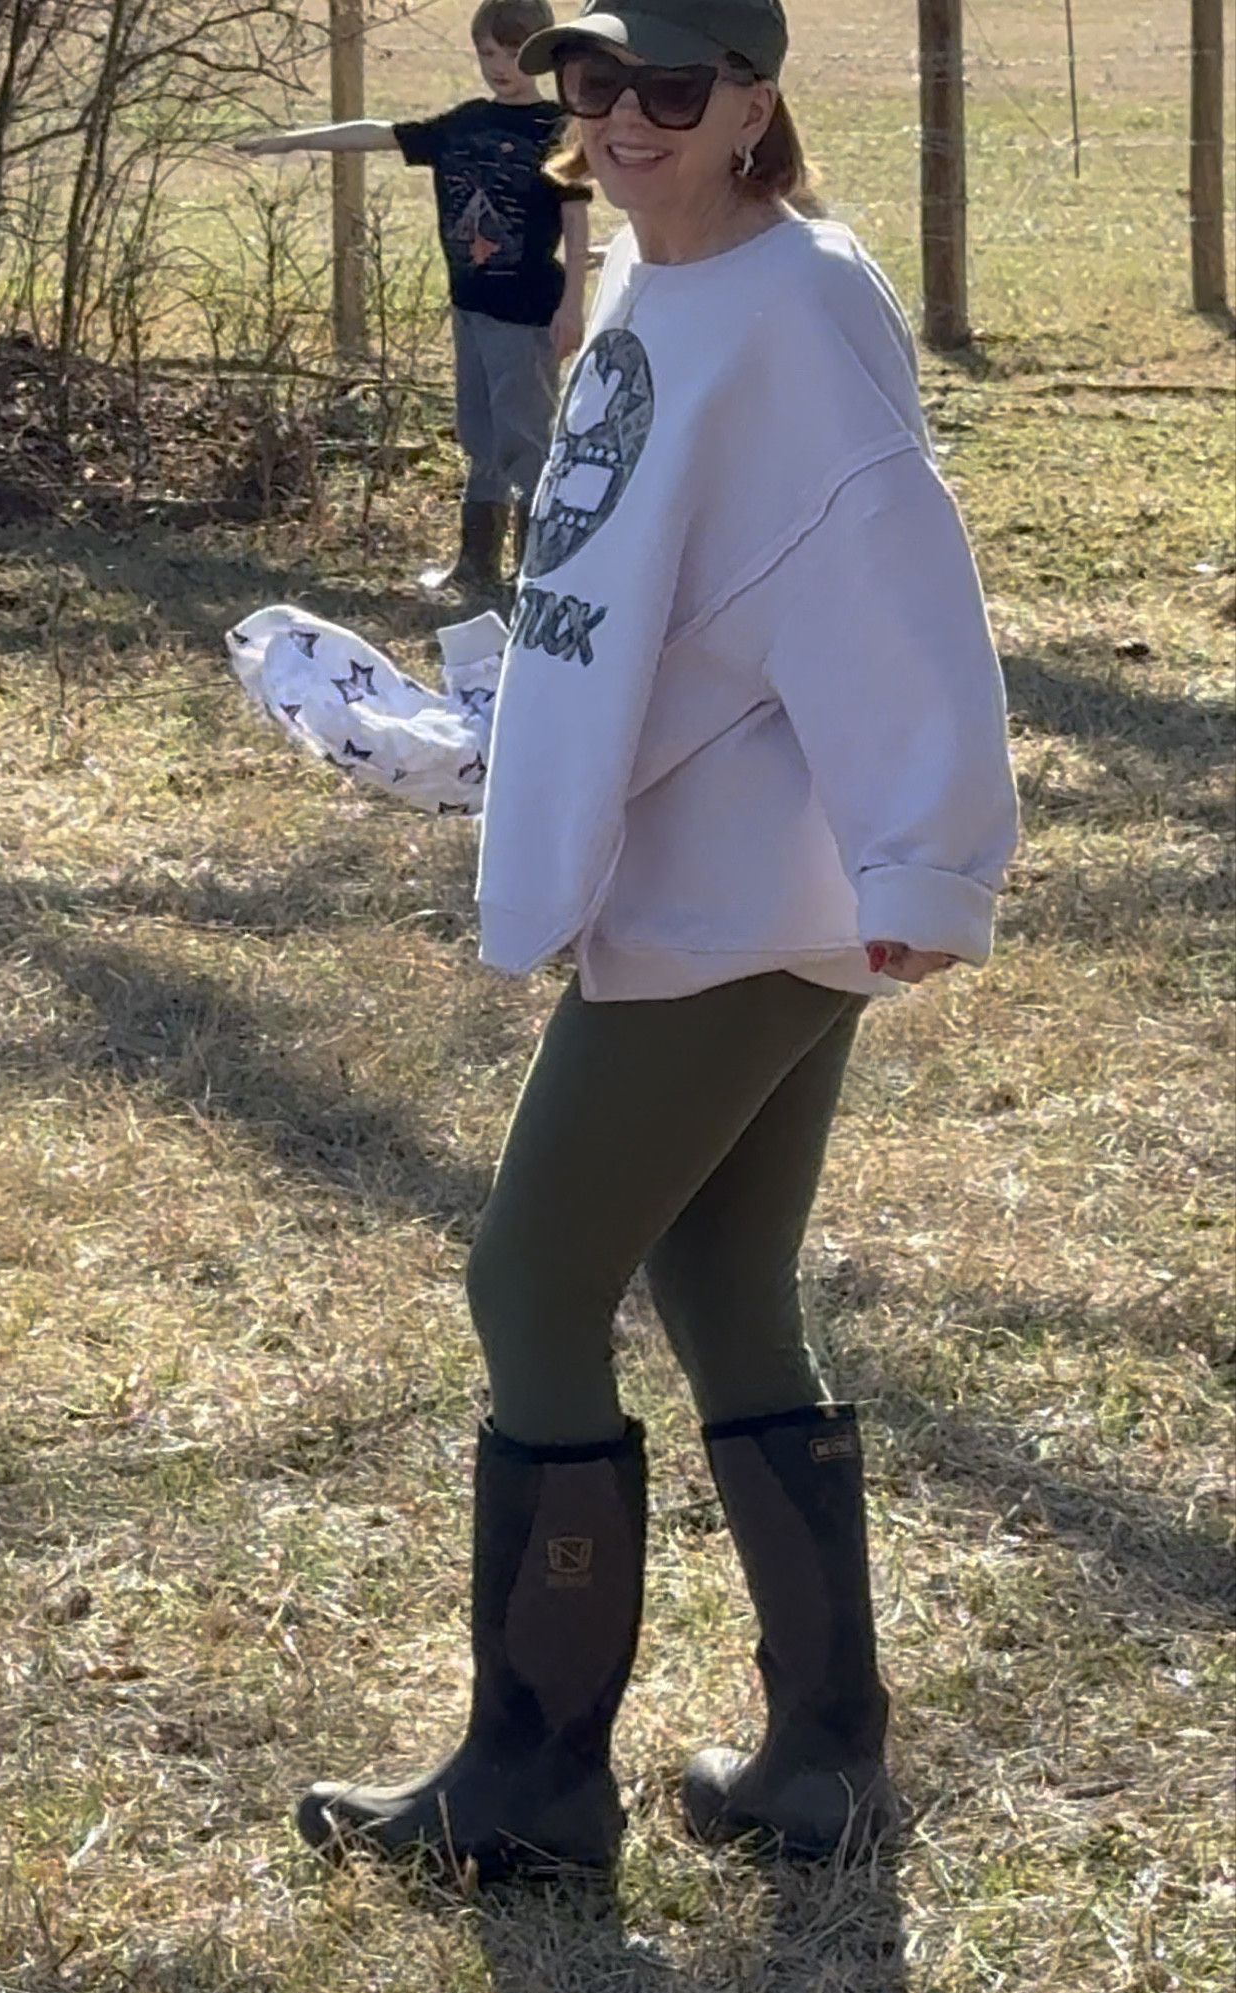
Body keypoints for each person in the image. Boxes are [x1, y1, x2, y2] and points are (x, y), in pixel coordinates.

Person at [293, 0, 1020, 1877]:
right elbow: (652, 568)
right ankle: (823, 1754)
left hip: (747, 903)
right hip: (737, 876)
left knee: (527, 1283)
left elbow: (882, 558)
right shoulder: (656, 275)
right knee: (718, 1283)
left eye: (666, 90)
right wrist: (505, 720)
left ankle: (532, 1778)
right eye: (587, 81)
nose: (617, 119)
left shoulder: (784, 311)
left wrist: (927, 858)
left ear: (754, 104)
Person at [236, 0, 591, 591]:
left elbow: (577, 226)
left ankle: (538, 573)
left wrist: (572, 305)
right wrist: (287, 140)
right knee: (479, 434)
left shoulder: (558, 130)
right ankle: (476, 563)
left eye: (512, 54)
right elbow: (376, 133)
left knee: (524, 440)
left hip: (527, 314)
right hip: (469, 308)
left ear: (541, 56)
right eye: (486, 53)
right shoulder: (464, 122)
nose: (498, 67)